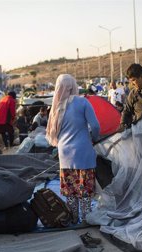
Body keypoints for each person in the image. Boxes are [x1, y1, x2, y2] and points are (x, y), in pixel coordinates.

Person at [46, 74, 100, 223]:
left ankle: (73, 217)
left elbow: (52, 132)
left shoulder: (56, 107)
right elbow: (95, 126)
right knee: (85, 189)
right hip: (83, 152)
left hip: (64, 153)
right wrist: (94, 139)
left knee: (70, 190)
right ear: (73, 86)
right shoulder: (82, 102)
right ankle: (86, 218)